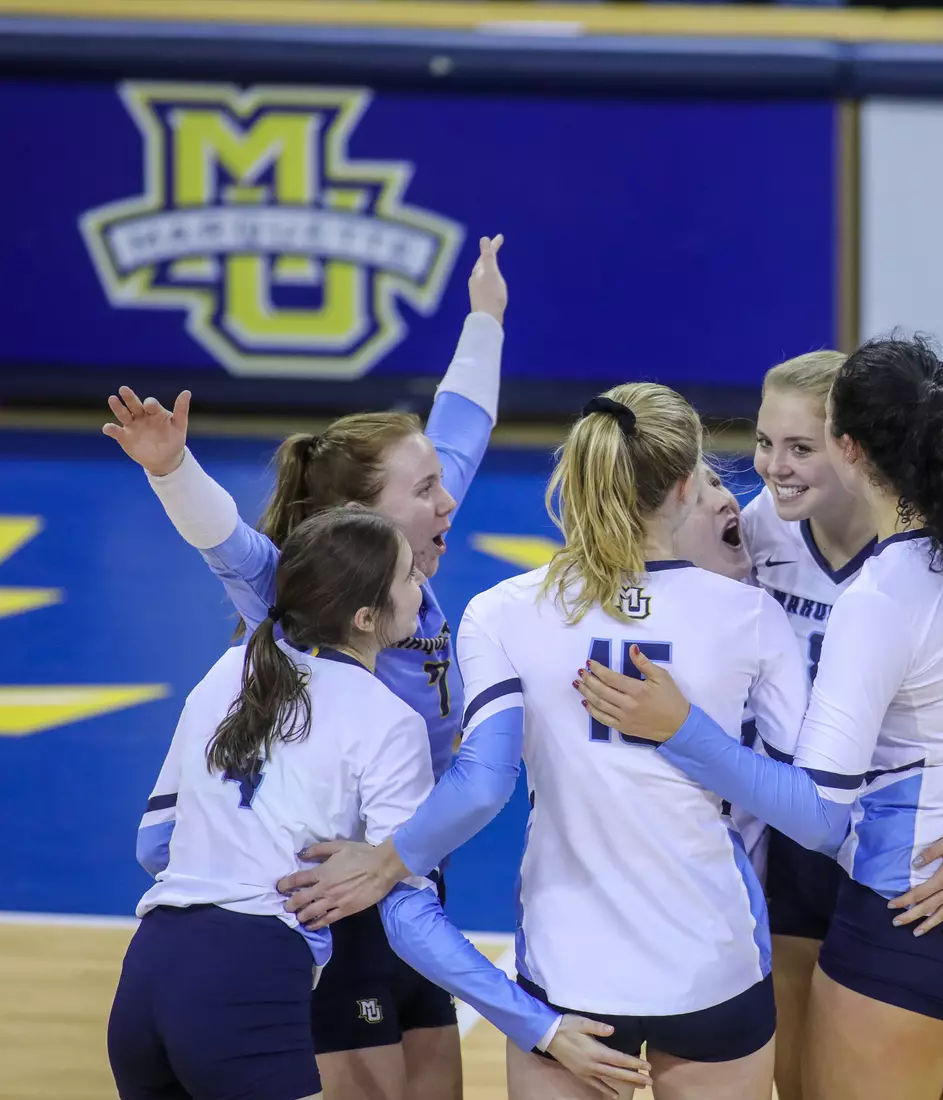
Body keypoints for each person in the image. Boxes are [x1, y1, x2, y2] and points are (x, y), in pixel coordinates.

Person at [575, 336, 943, 1100]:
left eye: (801, 446)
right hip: (934, 870)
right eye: (762, 443)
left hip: (896, 868)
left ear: (851, 449)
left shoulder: (886, 593)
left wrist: (678, 728)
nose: (775, 466)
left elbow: (825, 803)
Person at [281, 384, 810, 1100]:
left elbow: (484, 784)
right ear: (687, 485)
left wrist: (387, 862)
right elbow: (817, 816)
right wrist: (688, 734)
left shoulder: (503, 610)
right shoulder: (751, 616)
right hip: (711, 964)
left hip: (570, 973)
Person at [103, 234, 511, 1100]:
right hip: (331, 892)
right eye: (427, 490)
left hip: (407, 865)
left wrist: (485, 318)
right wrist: (172, 469)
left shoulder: (409, 543)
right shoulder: (293, 588)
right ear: (360, 518)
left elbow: (463, 429)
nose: (450, 500)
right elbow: (224, 539)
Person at [109, 509, 650, 1100]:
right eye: (408, 576)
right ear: (367, 618)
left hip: (147, 971)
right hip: (248, 983)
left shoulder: (229, 669)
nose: (423, 581)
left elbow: (154, 843)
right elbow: (410, 922)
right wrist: (543, 1028)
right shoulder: (390, 719)